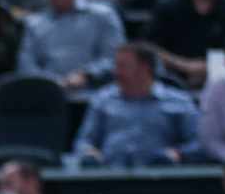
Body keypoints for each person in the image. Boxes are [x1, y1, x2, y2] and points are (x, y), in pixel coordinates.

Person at [75, 45, 203, 165]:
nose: (116, 72)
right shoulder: (102, 100)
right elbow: (85, 140)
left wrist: (177, 154)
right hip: (109, 172)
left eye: (123, 66)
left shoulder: (178, 101)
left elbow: (199, 143)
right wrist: (88, 152)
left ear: (145, 68)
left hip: (161, 173)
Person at [17, 0, 123, 92]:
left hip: (96, 90)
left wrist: (86, 73)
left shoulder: (102, 15)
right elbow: (26, 63)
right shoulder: (34, 23)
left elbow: (114, 57)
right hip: (47, 92)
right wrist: (52, 81)